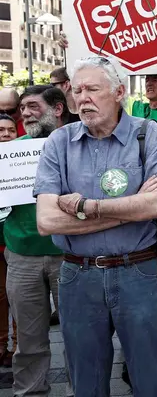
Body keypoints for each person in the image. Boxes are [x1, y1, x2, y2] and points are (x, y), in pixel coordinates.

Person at [34, 56, 157, 396]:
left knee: (149, 380)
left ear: (118, 92)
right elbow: (47, 220)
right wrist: (131, 209)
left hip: (138, 272)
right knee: (86, 382)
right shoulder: (59, 143)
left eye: (92, 89)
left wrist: (87, 207)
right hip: (77, 277)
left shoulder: (149, 134)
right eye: (77, 90)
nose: (82, 98)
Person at [3, 85, 74, 395]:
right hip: (22, 257)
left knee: (79, 336)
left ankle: (84, 389)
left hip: (69, 254)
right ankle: (30, 392)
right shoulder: (10, 152)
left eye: (32, 106)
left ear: (57, 109)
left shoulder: (77, 145)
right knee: (29, 341)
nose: (25, 113)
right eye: (22, 108)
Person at [0, 112, 17, 369]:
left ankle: (18, 346)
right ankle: (1, 344)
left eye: (10, 130)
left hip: (14, 239)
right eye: (0, 130)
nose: (5, 135)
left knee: (18, 296)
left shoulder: (25, 158)